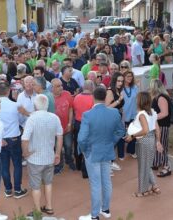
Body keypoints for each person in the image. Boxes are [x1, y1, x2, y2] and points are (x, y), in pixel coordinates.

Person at [78, 87, 125, 220]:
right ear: (106, 97)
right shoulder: (114, 112)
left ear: (93, 97)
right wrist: (111, 142)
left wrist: (85, 150)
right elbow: (121, 131)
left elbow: (81, 138)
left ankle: (94, 216)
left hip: (92, 152)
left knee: (96, 184)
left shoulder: (88, 115)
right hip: (107, 151)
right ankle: (105, 209)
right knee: (106, 181)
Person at [21, 94, 63, 216]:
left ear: (35, 105)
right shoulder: (54, 117)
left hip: (35, 159)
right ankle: (49, 207)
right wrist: (58, 154)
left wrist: (25, 153)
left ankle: (37, 211)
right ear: (47, 105)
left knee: (35, 186)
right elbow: (59, 136)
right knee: (48, 183)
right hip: (49, 157)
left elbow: (25, 139)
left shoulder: (32, 119)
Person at [125, 92, 163, 197]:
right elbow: (157, 129)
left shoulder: (141, 114)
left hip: (144, 141)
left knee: (143, 166)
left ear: (140, 101)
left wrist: (132, 136)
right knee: (146, 165)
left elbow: (145, 130)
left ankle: (143, 191)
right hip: (151, 140)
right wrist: (158, 141)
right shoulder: (152, 112)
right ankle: (154, 186)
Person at [0, 82, 29, 199]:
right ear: (8, 91)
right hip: (14, 138)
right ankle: (17, 189)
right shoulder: (15, 105)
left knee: (4, 165)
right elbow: (22, 118)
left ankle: (8, 189)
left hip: (1, 140)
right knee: (17, 164)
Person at [51, 79, 75, 174]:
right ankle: (59, 165)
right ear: (52, 88)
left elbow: (70, 109)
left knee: (68, 146)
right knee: (58, 148)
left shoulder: (67, 94)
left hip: (66, 127)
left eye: (61, 85)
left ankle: (69, 160)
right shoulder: (49, 98)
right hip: (55, 130)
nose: (61, 87)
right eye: (58, 86)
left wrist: (70, 123)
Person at [73, 80, 95, 178]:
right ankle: (85, 170)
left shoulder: (77, 97)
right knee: (87, 147)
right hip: (88, 125)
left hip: (78, 123)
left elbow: (75, 109)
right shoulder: (93, 98)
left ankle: (77, 165)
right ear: (91, 87)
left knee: (77, 143)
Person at [150, 80, 171, 177]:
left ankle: (166, 167)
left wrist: (151, 117)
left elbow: (164, 113)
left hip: (162, 126)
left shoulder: (161, 98)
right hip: (159, 125)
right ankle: (156, 163)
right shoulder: (158, 97)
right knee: (158, 144)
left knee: (162, 146)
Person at [105, 72, 126, 167]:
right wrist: (119, 101)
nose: (120, 83)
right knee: (111, 141)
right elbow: (106, 107)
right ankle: (109, 162)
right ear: (114, 81)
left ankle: (110, 161)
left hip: (118, 118)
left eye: (122, 81)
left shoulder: (118, 90)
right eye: (118, 81)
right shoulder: (110, 91)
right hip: (111, 119)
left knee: (114, 140)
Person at [122, 71, 138, 157]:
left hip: (133, 113)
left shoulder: (135, 87)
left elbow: (138, 100)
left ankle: (131, 150)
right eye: (128, 76)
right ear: (124, 77)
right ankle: (121, 150)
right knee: (123, 132)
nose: (130, 78)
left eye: (131, 76)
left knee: (133, 132)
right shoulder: (120, 88)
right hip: (124, 114)